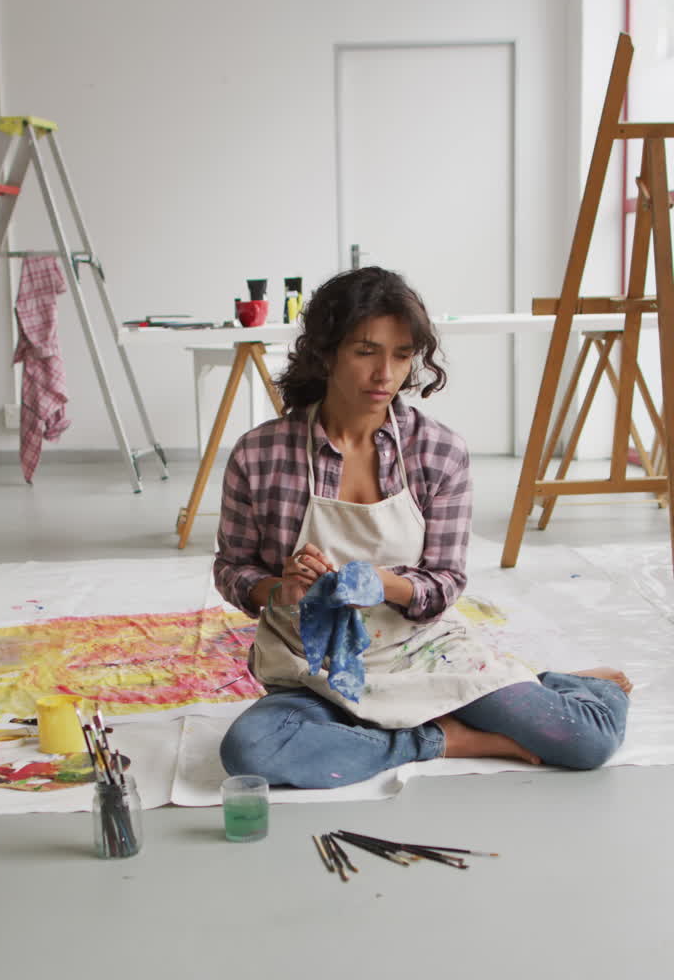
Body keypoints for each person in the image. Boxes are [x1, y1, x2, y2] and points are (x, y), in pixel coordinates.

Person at [213, 266, 631, 788]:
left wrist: (383, 582)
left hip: (423, 652)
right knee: (251, 751)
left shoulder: (438, 451)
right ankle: (439, 738)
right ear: (326, 352)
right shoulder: (260, 453)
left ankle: (543, 685)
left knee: (587, 740)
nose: (385, 374)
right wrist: (282, 589)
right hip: (312, 667)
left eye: (402, 354)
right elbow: (233, 567)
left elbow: (446, 580)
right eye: (366, 351)